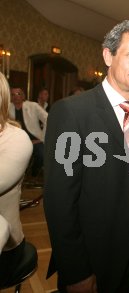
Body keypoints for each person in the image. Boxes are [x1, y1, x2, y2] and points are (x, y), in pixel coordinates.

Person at [44, 19, 129, 293]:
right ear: (108, 55)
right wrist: (76, 271)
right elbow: (60, 201)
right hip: (92, 254)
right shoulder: (71, 112)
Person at [0, 72, 33, 286]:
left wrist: (42, 137)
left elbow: (46, 120)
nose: (18, 97)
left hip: (6, 249)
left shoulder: (16, 139)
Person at [9, 87, 47, 178]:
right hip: (16, 141)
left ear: (23, 96)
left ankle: (33, 174)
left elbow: (48, 119)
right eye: (13, 94)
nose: (16, 96)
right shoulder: (7, 107)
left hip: (35, 139)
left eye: (18, 94)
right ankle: (18, 178)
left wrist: (42, 137)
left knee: (42, 155)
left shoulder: (33, 106)